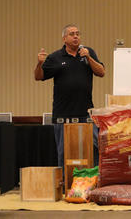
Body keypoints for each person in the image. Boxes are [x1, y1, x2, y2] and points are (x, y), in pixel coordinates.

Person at [34, 24, 105, 167]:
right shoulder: (56, 57)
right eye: (72, 34)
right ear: (64, 38)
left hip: (86, 113)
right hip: (63, 114)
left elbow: (101, 72)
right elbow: (39, 76)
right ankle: (65, 185)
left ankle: (94, 182)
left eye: (78, 33)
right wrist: (39, 63)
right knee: (64, 152)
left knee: (95, 148)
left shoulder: (87, 52)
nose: (76, 36)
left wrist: (89, 57)